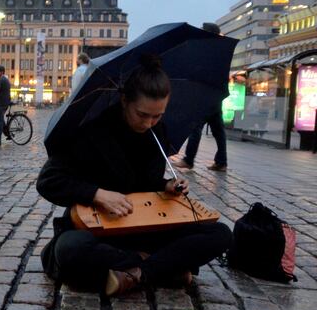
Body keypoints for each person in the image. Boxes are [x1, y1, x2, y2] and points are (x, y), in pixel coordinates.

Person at [36, 56, 232, 296]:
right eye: (142, 114)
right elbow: (48, 181)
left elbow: (144, 183)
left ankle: (139, 273)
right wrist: (98, 194)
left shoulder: (157, 132)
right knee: (69, 249)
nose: (149, 123)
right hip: (100, 233)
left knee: (220, 234)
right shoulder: (91, 130)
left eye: (157, 116)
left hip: (144, 230)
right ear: (124, 100)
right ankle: (163, 267)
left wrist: (167, 185)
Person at [173, 23, 228, 172]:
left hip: (205, 96)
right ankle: (221, 162)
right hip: (215, 96)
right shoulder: (220, 50)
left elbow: (201, 72)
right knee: (218, 131)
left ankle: (188, 160)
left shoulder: (209, 50)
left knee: (195, 127)